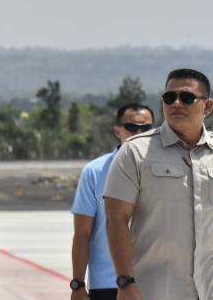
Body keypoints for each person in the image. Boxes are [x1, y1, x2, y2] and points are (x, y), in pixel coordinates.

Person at [105, 69, 213, 300]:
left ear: (207, 107)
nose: (176, 103)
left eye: (186, 98)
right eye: (169, 98)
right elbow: (116, 220)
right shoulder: (135, 152)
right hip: (156, 289)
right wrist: (125, 282)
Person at [69, 104, 154, 300]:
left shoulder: (163, 170)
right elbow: (82, 233)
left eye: (146, 128)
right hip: (108, 285)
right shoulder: (95, 172)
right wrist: (77, 284)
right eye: (132, 127)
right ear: (118, 131)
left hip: (154, 282)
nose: (139, 133)